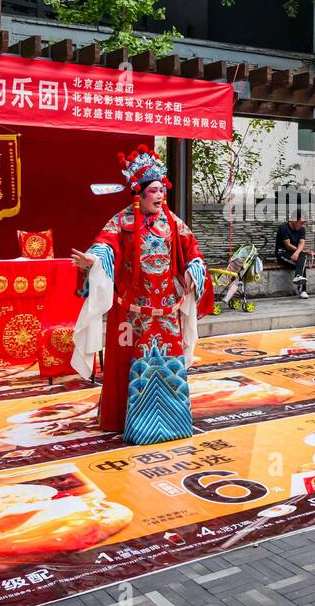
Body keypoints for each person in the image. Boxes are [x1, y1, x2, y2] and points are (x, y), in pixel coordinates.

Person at [70, 145, 212, 445]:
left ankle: (173, 425)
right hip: (132, 315)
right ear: (139, 193)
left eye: (163, 190)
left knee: (169, 366)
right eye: (154, 191)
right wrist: (94, 262)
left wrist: (192, 272)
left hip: (167, 315)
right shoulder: (122, 222)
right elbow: (105, 246)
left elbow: (193, 254)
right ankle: (125, 422)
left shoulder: (173, 223)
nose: (160, 196)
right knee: (126, 366)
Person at [275, 210, 311, 299]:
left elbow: (302, 243)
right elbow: (287, 245)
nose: (302, 225)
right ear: (295, 220)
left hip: (294, 254)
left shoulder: (302, 229)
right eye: (301, 223)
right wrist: (299, 251)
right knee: (302, 263)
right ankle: (302, 290)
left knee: (302, 259)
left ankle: (298, 277)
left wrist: (298, 252)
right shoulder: (283, 227)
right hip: (282, 253)